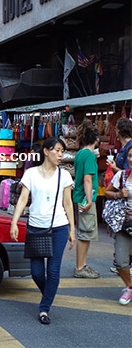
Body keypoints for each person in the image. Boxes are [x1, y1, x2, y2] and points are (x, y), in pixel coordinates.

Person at [10, 136, 75, 324]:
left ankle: (44, 308)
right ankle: (49, 293)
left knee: (53, 271)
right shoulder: (30, 173)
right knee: (37, 272)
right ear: (46, 151)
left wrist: (72, 228)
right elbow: (23, 199)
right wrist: (14, 222)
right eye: (57, 150)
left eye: (62, 151)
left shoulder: (64, 175)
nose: (60, 154)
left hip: (58, 227)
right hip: (35, 226)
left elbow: (68, 202)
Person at [104, 144, 132, 305]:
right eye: (129, 156)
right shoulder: (122, 175)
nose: (131, 159)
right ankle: (129, 287)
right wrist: (119, 194)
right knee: (121, 262)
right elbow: (108, 192)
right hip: (125, 224)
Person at [73, 119, 100, 278]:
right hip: (85, 198)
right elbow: (87, 179)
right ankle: (80, 267)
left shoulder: (80, 154)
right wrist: (90, 200)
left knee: (85, 232)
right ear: (96, 138)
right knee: (85, 233)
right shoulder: (89, 155)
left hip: (79, 196)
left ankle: (82, 265)